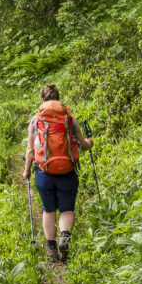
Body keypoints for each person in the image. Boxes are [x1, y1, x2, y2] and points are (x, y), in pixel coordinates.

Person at [22, 83, 92, 263]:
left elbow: (30, 150)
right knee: (67, 209)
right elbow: (82, 145)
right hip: (67, 171)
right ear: (58, 98)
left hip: (44, 172)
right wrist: (90, 143)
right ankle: (64, 236)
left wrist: (27, 170)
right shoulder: (69, 117)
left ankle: (52, 249)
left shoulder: (35, 120)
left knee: (48, 210)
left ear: (42, 99)